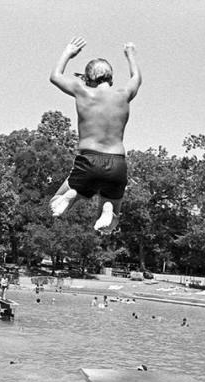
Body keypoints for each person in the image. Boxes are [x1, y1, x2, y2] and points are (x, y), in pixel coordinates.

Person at [49, 37, 142, 234]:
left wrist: (68, 52)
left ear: (88, 79)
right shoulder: (124, 94)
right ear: (111, 77)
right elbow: (136, 78)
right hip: (117, 163)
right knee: (108, 228)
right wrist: (130, 55)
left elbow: (55, 76)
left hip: (88, 160)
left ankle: (73, 195)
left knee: (55, 203)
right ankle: (108, 209)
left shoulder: (82, 91)